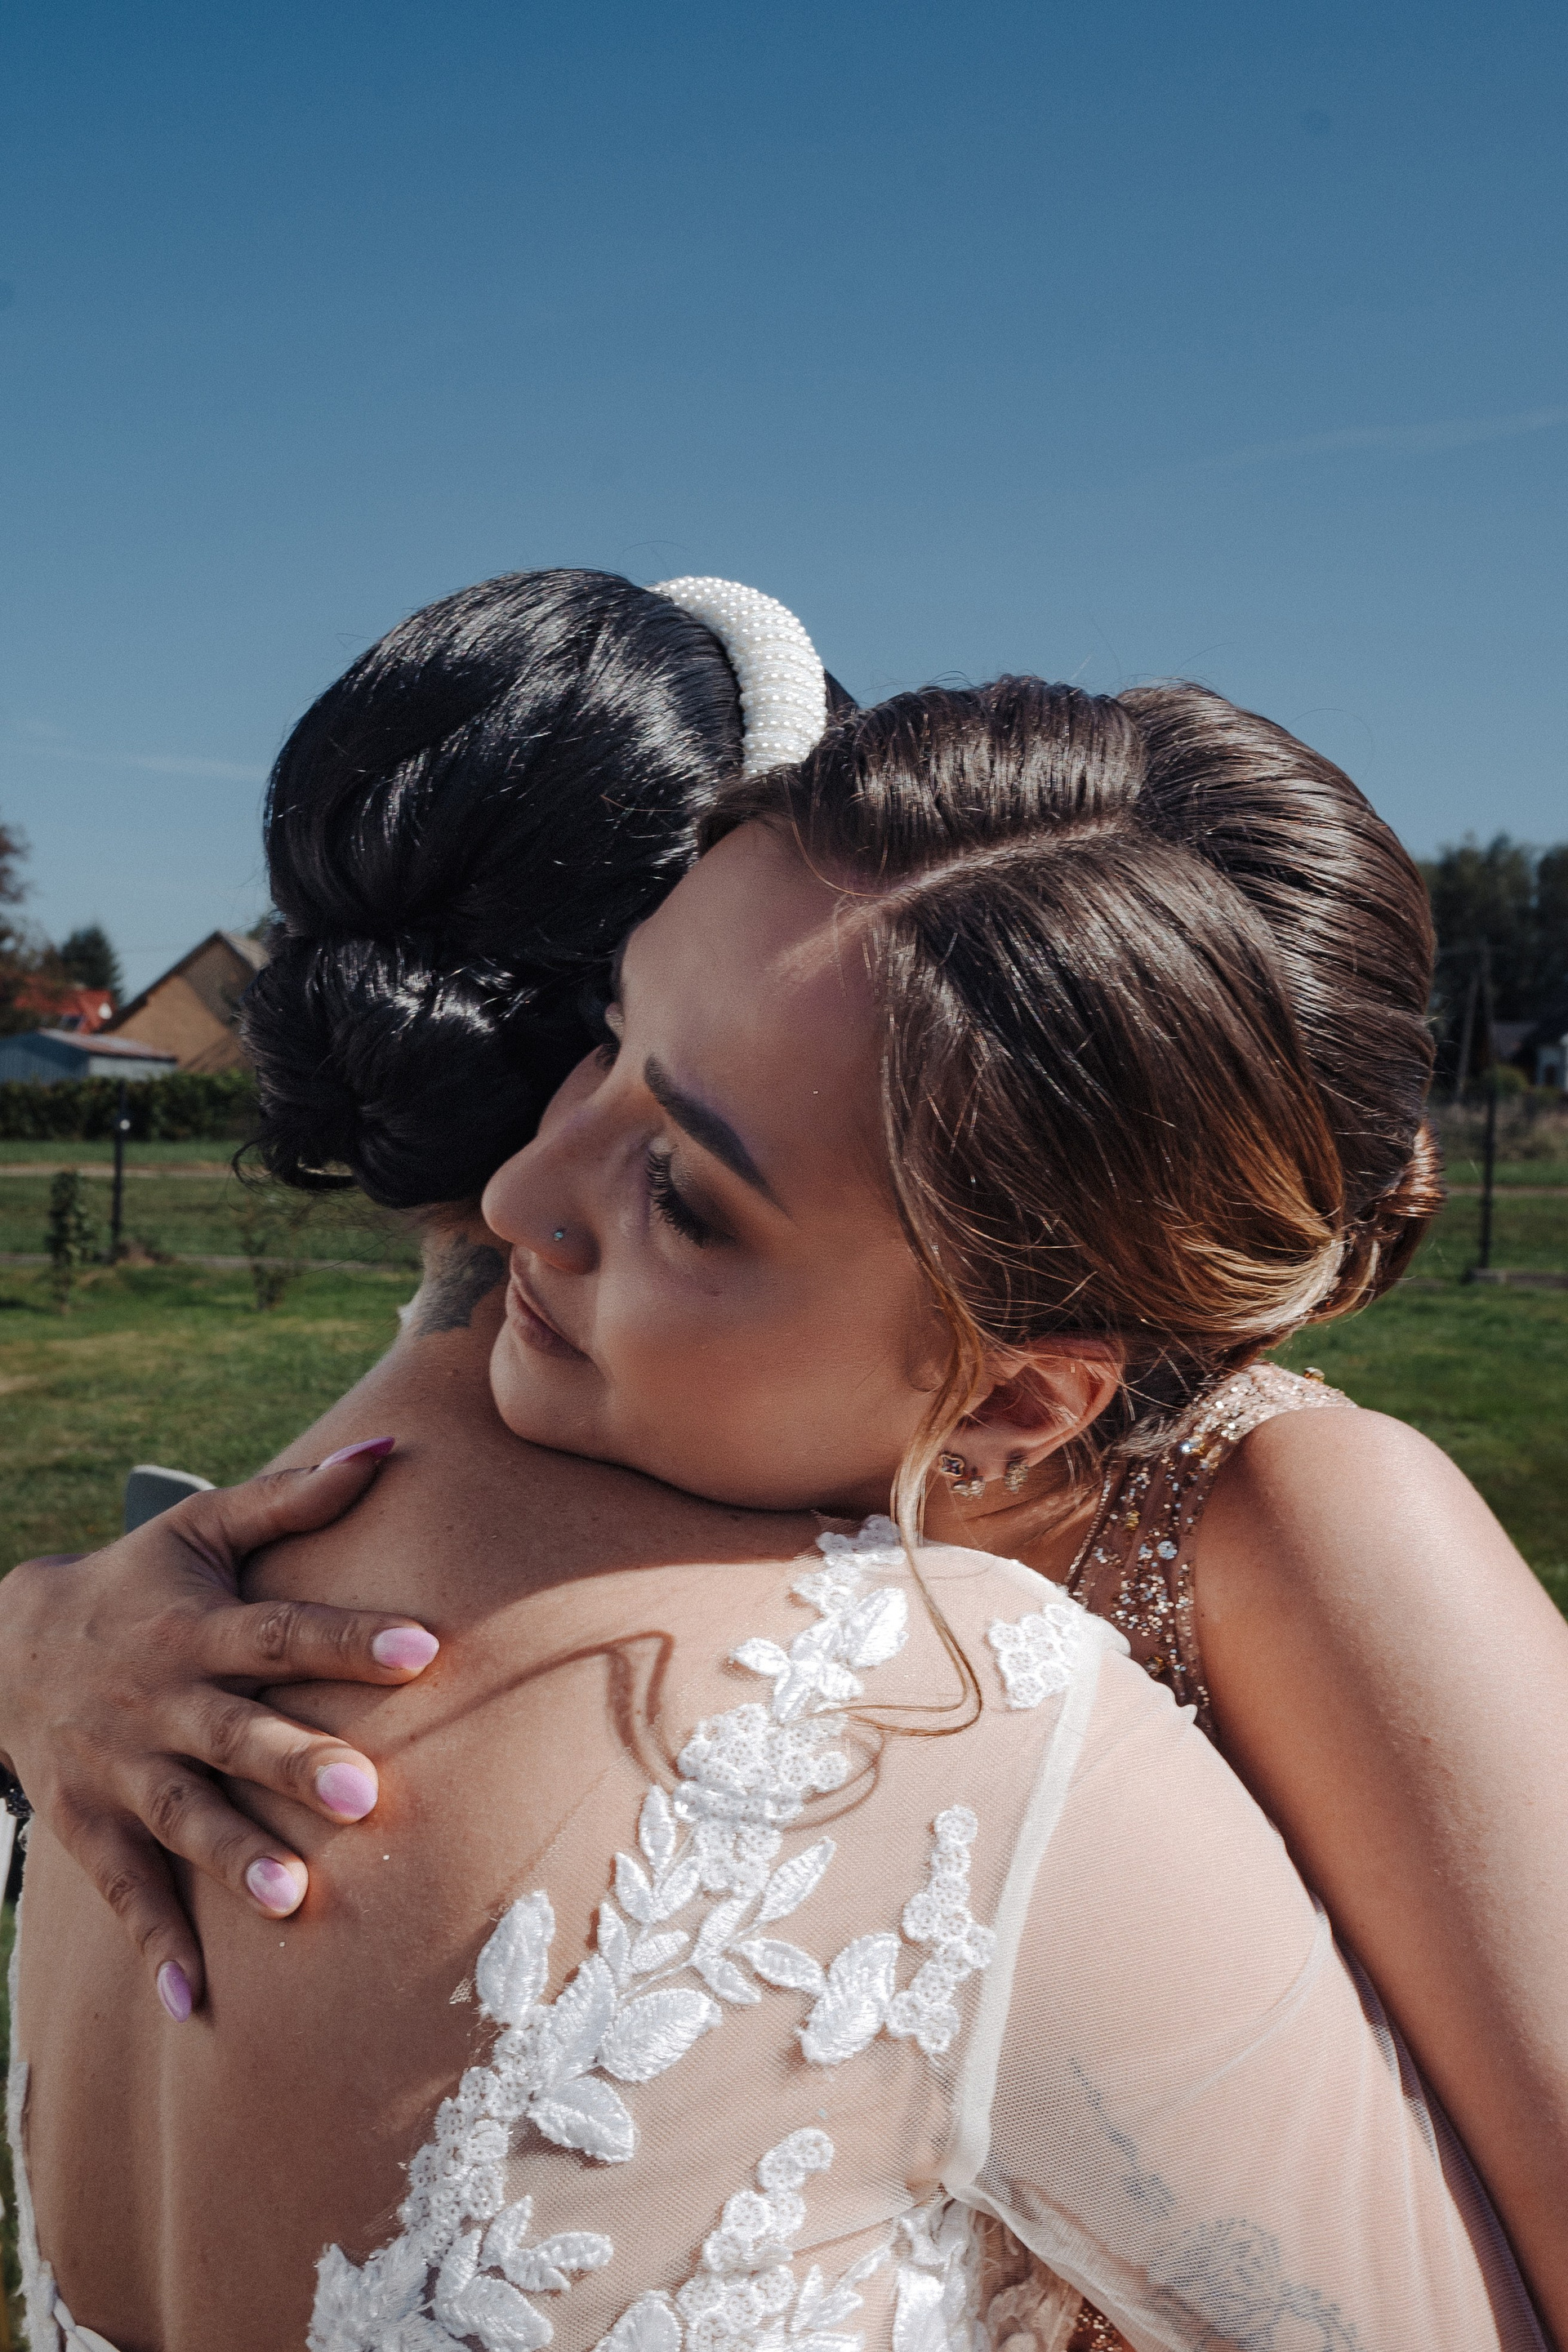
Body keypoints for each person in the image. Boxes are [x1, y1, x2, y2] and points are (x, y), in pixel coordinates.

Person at [2, 581, 1565, 2335]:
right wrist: (36, 1633)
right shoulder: (555, 1473)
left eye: (686, 1194)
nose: (518, 1193)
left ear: (1013, 1405)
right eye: (608, 1041)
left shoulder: (1279, 1523)